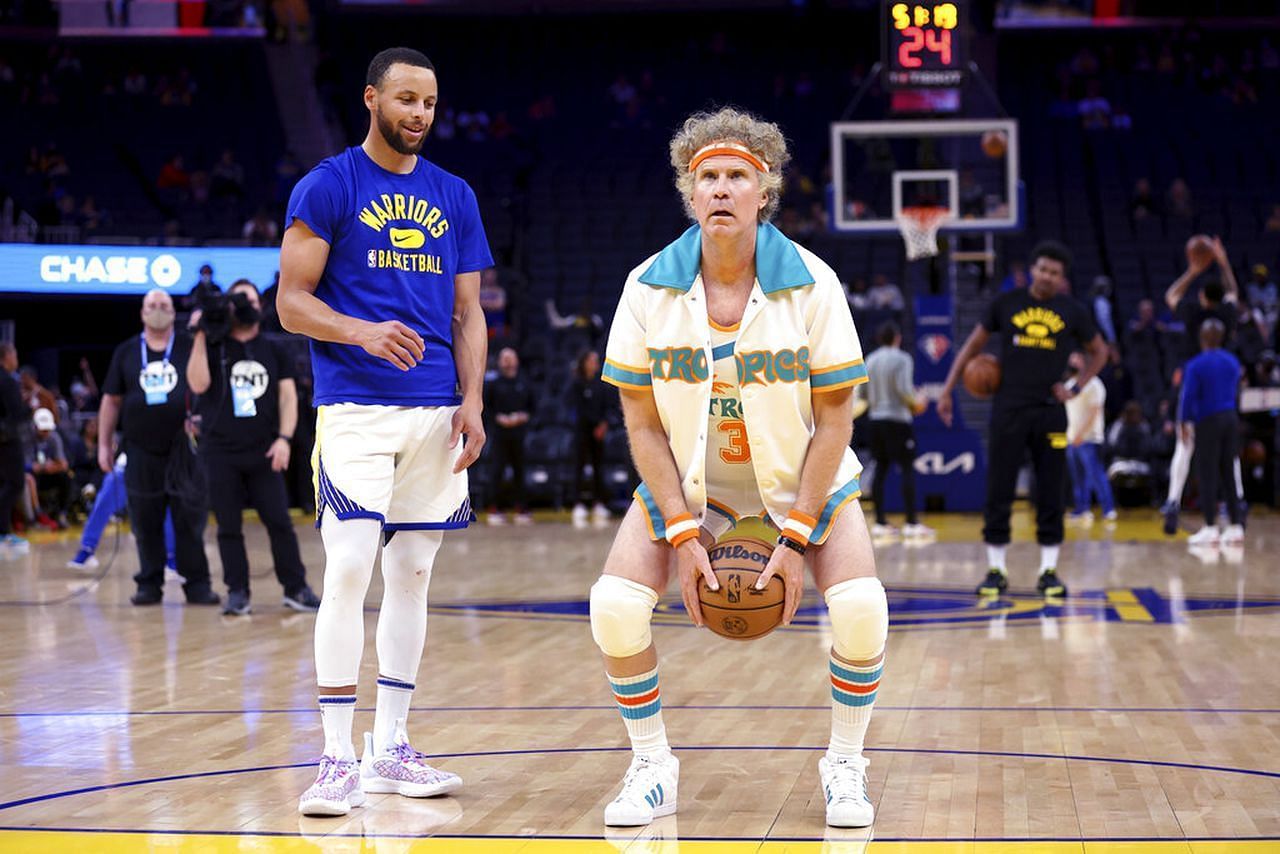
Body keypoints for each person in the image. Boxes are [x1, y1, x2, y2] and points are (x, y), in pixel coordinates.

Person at [591, 107, 885, 829]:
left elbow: (837, 422)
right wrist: (685, 535)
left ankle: (845, 764)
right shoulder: (647, 287)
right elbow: (642, 424)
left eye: (737, 177)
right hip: (695, 483)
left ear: (765, 192)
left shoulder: (813, 284)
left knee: (860, 610)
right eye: (708, 177)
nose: (721, 189)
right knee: (615, 606)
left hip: (800, 475)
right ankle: (652, 765)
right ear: (691, 194)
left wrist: (794, 539)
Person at [278, 46, 491, 817]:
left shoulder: (454, 195)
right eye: (406, 100)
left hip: (437, 413)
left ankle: (389, 748)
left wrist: (472, 401)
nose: (420, 115)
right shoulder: (329, 185)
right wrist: (363, 333)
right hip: (357, 409)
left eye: (429, 103)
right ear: (372, 99)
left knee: (413, 579)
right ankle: (336, 756)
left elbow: (469, 313)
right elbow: (290, 303)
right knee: (347, 570)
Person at [937, 241, 1107, 599]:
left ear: (1062, 279)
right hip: (1009, 410)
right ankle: (996, 569)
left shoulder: (1072, 311)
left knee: (1051, 491)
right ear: (1033, 269)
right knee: (999, 489)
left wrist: (1076, 386)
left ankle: (1049, 571)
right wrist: (948, 388)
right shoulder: (1006, 304)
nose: (1048, 276)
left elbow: (1101, 351)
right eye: (1043, 269)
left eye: (1055, 272)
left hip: (1049, 412)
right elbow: (972, 347)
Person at [187, 279, 320, 616]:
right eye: (237, 299)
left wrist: (285, 439)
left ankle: (295, 588)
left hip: (264, 449)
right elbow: (198, 383)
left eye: (249, 298)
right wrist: (202, 333)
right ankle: (237, 592)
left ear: (260, 305)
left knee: (279, 522)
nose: (244, 304)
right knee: (228, 526)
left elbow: (288, 397)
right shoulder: (215, 347)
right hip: (220, 451)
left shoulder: (275, 349)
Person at [99, 289, 219, 607]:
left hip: (184, 448)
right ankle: (149, 585)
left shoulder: (187, 345)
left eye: (164, 305)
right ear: (141, 313)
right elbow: (111, 401)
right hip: (139, 449)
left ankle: (197, 585)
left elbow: (205, 387)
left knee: (190, 518)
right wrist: (102, 444)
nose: (157, 310)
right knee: (144, 520)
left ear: (172, 312)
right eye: (151, 306)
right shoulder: (126, 352)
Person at [1159, 237, 1239, 535]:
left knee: (1185, 445)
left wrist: (1193, 270)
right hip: (1224, 383)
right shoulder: (1228, 313)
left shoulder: (1193, 312)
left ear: (1203, 296)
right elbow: (1232, 291)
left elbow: (1171, 295)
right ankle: (1237, 503)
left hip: (1197, 378)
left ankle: (1172, 501)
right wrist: (1222, 261)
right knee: (1229, 451)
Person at [863, 321, 930, 539]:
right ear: (897, 338)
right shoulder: (902, 358)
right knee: (907, 468)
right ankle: (911, 523)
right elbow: (904, 389)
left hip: (875, 420)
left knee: (880, 469)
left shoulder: (870, 360)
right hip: (898, 420)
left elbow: (862, 393)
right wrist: (917, 402)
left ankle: (880, 522)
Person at [1180, 319, 1244, 546]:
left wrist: (1183, 423)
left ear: (1203, 337)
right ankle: (1236, 527)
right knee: (1228, 472)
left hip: (1208, 420)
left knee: (1207, 474)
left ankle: (1210, 527)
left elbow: (1187, 398)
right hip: (1231, 418)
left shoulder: (1196, 364)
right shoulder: (1233, 361)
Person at [483, 347, 534, 524]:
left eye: (510, 357)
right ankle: (494, 509)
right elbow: (486, 410)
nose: (507, 361)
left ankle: (522, 509)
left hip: (519, 434)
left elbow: (533, 408)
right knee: (497, 471)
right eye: (504, 358)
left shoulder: (525, 383)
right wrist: (499, 418)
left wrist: (523, 417)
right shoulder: (493, 384)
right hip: (499, 434)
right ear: (499, 362)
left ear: (517, 361)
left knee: (520, 471)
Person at [1064, 352, 1116, 525]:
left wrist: (1081, 433)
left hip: (1090, 438)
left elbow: (1095, 412)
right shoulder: (1070, 385)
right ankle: (1082, 509)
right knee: (1078, 477)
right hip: (1072, 438)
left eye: (1076, 359)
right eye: (1071, 359)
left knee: (1095, 474)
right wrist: (1071, 434)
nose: (1072, 362)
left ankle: (1108, 509)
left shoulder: (1094, 384)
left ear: (1084, 363)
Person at [570, 349, 612, 526]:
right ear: (585, 362)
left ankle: (599, 503)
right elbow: (577, 409)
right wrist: (595, 424)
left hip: (598, 432)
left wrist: (604, 424)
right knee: (579, 467)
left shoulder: (601, 383)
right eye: (593, 360)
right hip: (582, 431)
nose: (596, 363)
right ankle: (578, 504)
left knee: (598, 467)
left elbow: (609, 406)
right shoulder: (576, 384)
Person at [0, 342, 29, 555]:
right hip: (7, 440)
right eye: (15, 354)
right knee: (16, 483)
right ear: (7, 356)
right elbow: (17, 413)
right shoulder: (8, 381)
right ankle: (3, 532)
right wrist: (29, 407)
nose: (16, 359)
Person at [28, 407, 72, 529]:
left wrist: (50, 467)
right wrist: (44, 466)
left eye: (48, 429)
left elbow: (63, 464)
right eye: (43, 429)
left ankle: (62, 513)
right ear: (35, 426)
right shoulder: (28, 438)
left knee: (66, 477)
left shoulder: (54, 437)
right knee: (30, 478)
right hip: (33, 477)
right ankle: (36, 516)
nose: (46, 432)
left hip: (48, 474)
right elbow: (30, 466)